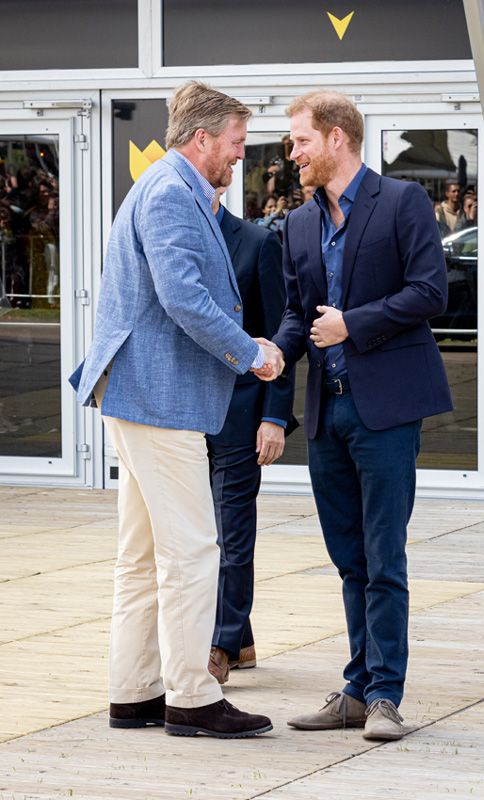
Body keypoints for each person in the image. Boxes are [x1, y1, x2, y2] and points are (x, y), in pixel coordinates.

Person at [69, 81, 284, 739]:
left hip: (140, 395)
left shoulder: (169, 188)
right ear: (202, 140)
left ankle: (133, 693)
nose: (238, 157)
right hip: (157, 399)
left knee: (141, 555)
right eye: (235, 144)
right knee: (192, 550)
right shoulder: (169, 196)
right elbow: (184, 299)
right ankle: (191, 696)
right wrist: (251, 353)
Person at [272, 91, 453, 740]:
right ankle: (355, 688)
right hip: (327, 415)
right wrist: (272, 351)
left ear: (336, 139)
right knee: (349, 559)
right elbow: (299, 315)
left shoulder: (401, 201)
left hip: (386, 412)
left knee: (384, 557)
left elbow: (429, 292)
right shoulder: (297, 224)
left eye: (299, 141)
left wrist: (354, 325)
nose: (291, 153)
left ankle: (384, 697)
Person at [206, 188, 296, 684]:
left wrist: (275, 417)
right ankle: (240, 638)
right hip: (183, 415)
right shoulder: (174, 238)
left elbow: (280, 334)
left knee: (231, 537)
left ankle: (219, 644)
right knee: (196, 537)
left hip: (241, 416)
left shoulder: (259, 243)